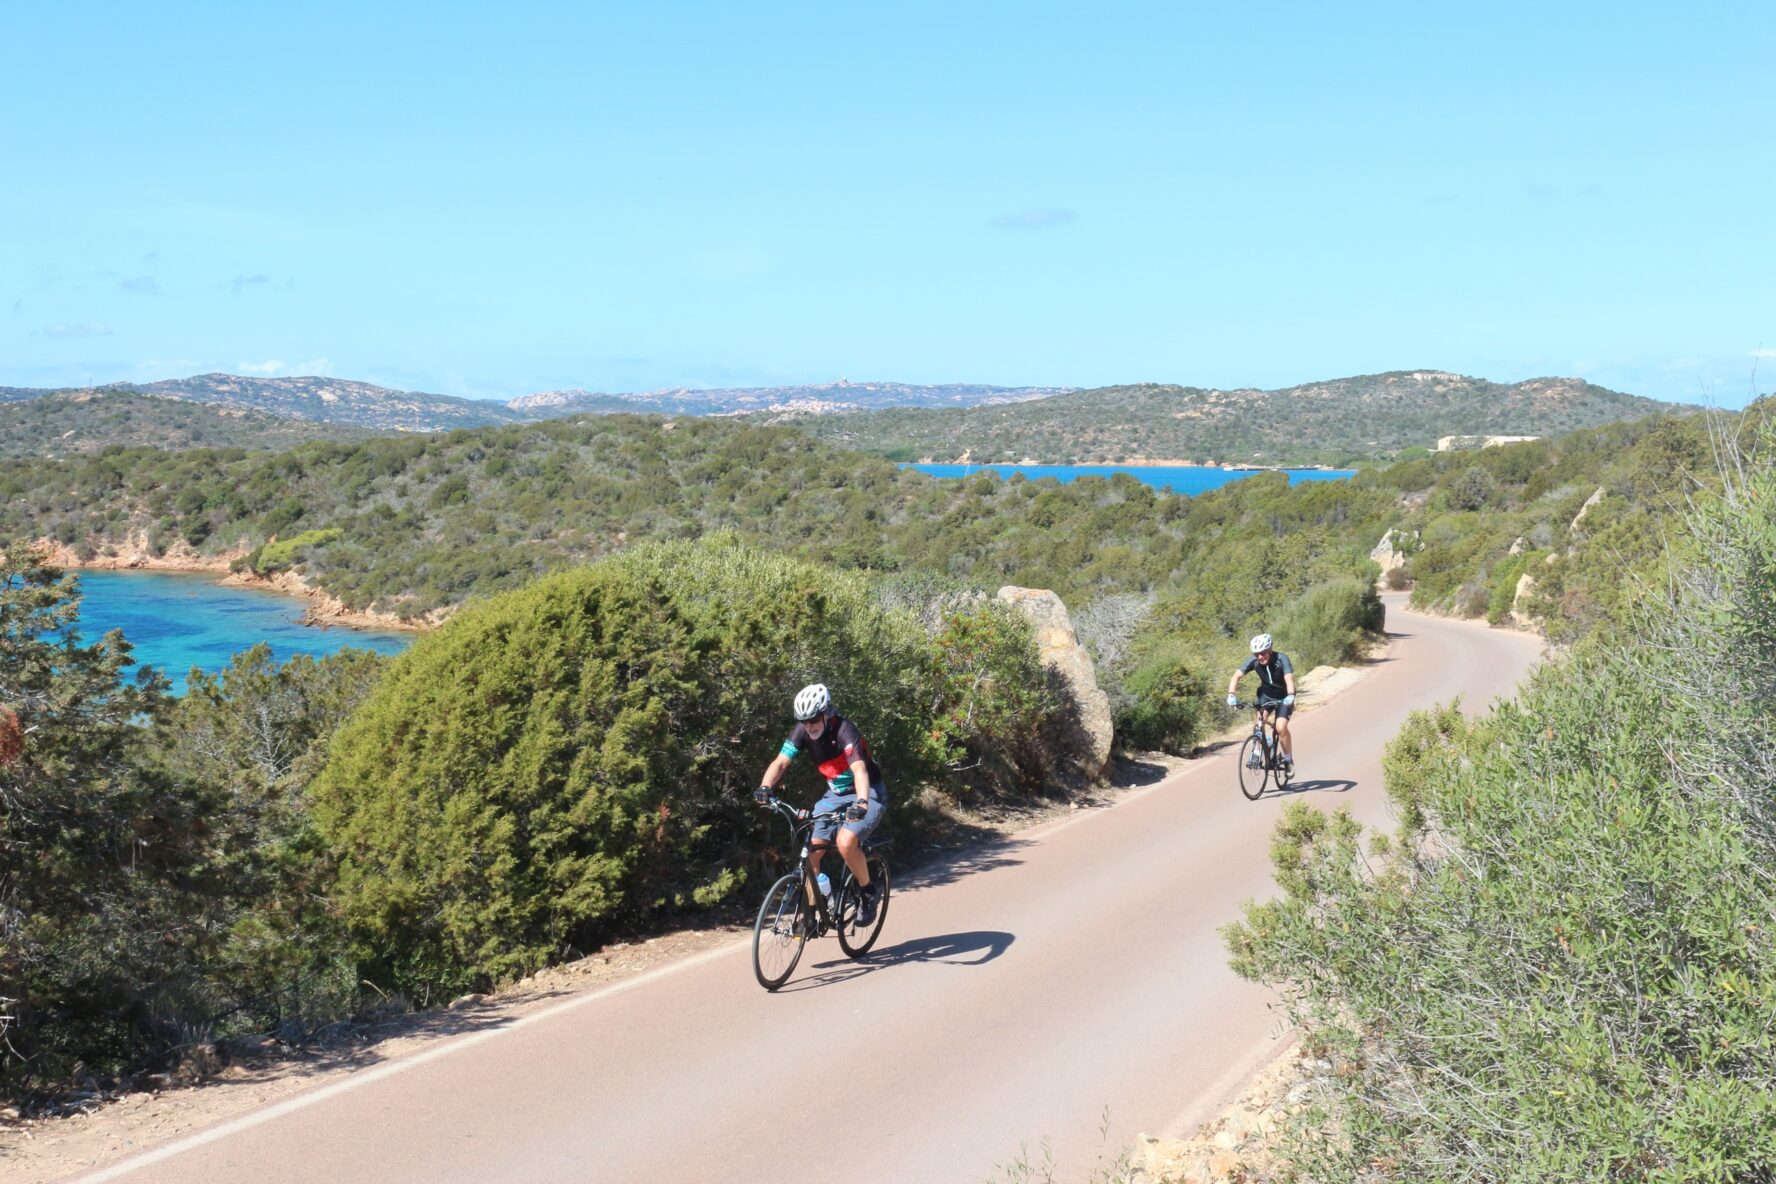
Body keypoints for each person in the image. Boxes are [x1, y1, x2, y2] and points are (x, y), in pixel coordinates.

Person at [754, 683, 886, 926]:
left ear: (826, 713)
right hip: (834, 796)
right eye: (803, 720)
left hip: (868, 792)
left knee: (845, 842)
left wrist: (862, 803)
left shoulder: (845, 731)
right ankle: (813, 911)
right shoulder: (802, 732)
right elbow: (781, 762)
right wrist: (765, 787)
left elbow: (859, 771)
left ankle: (867, 892)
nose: (809, 725)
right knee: (811, 852)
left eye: (813, 718)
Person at [1226, 633, 1297, 770]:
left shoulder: (1282, 659)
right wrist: (1231, 695)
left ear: (1270, 650)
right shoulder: (1254, 661)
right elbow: (1236, 676)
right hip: (1266, 695)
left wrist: (1290, 695)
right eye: (1256, 654)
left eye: (1263, 653)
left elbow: (1289, 679)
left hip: (1284, 696)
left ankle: (1288, 760)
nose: (1260, 657)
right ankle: (1258, 751)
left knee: (1280, 727)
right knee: (1259, 724)